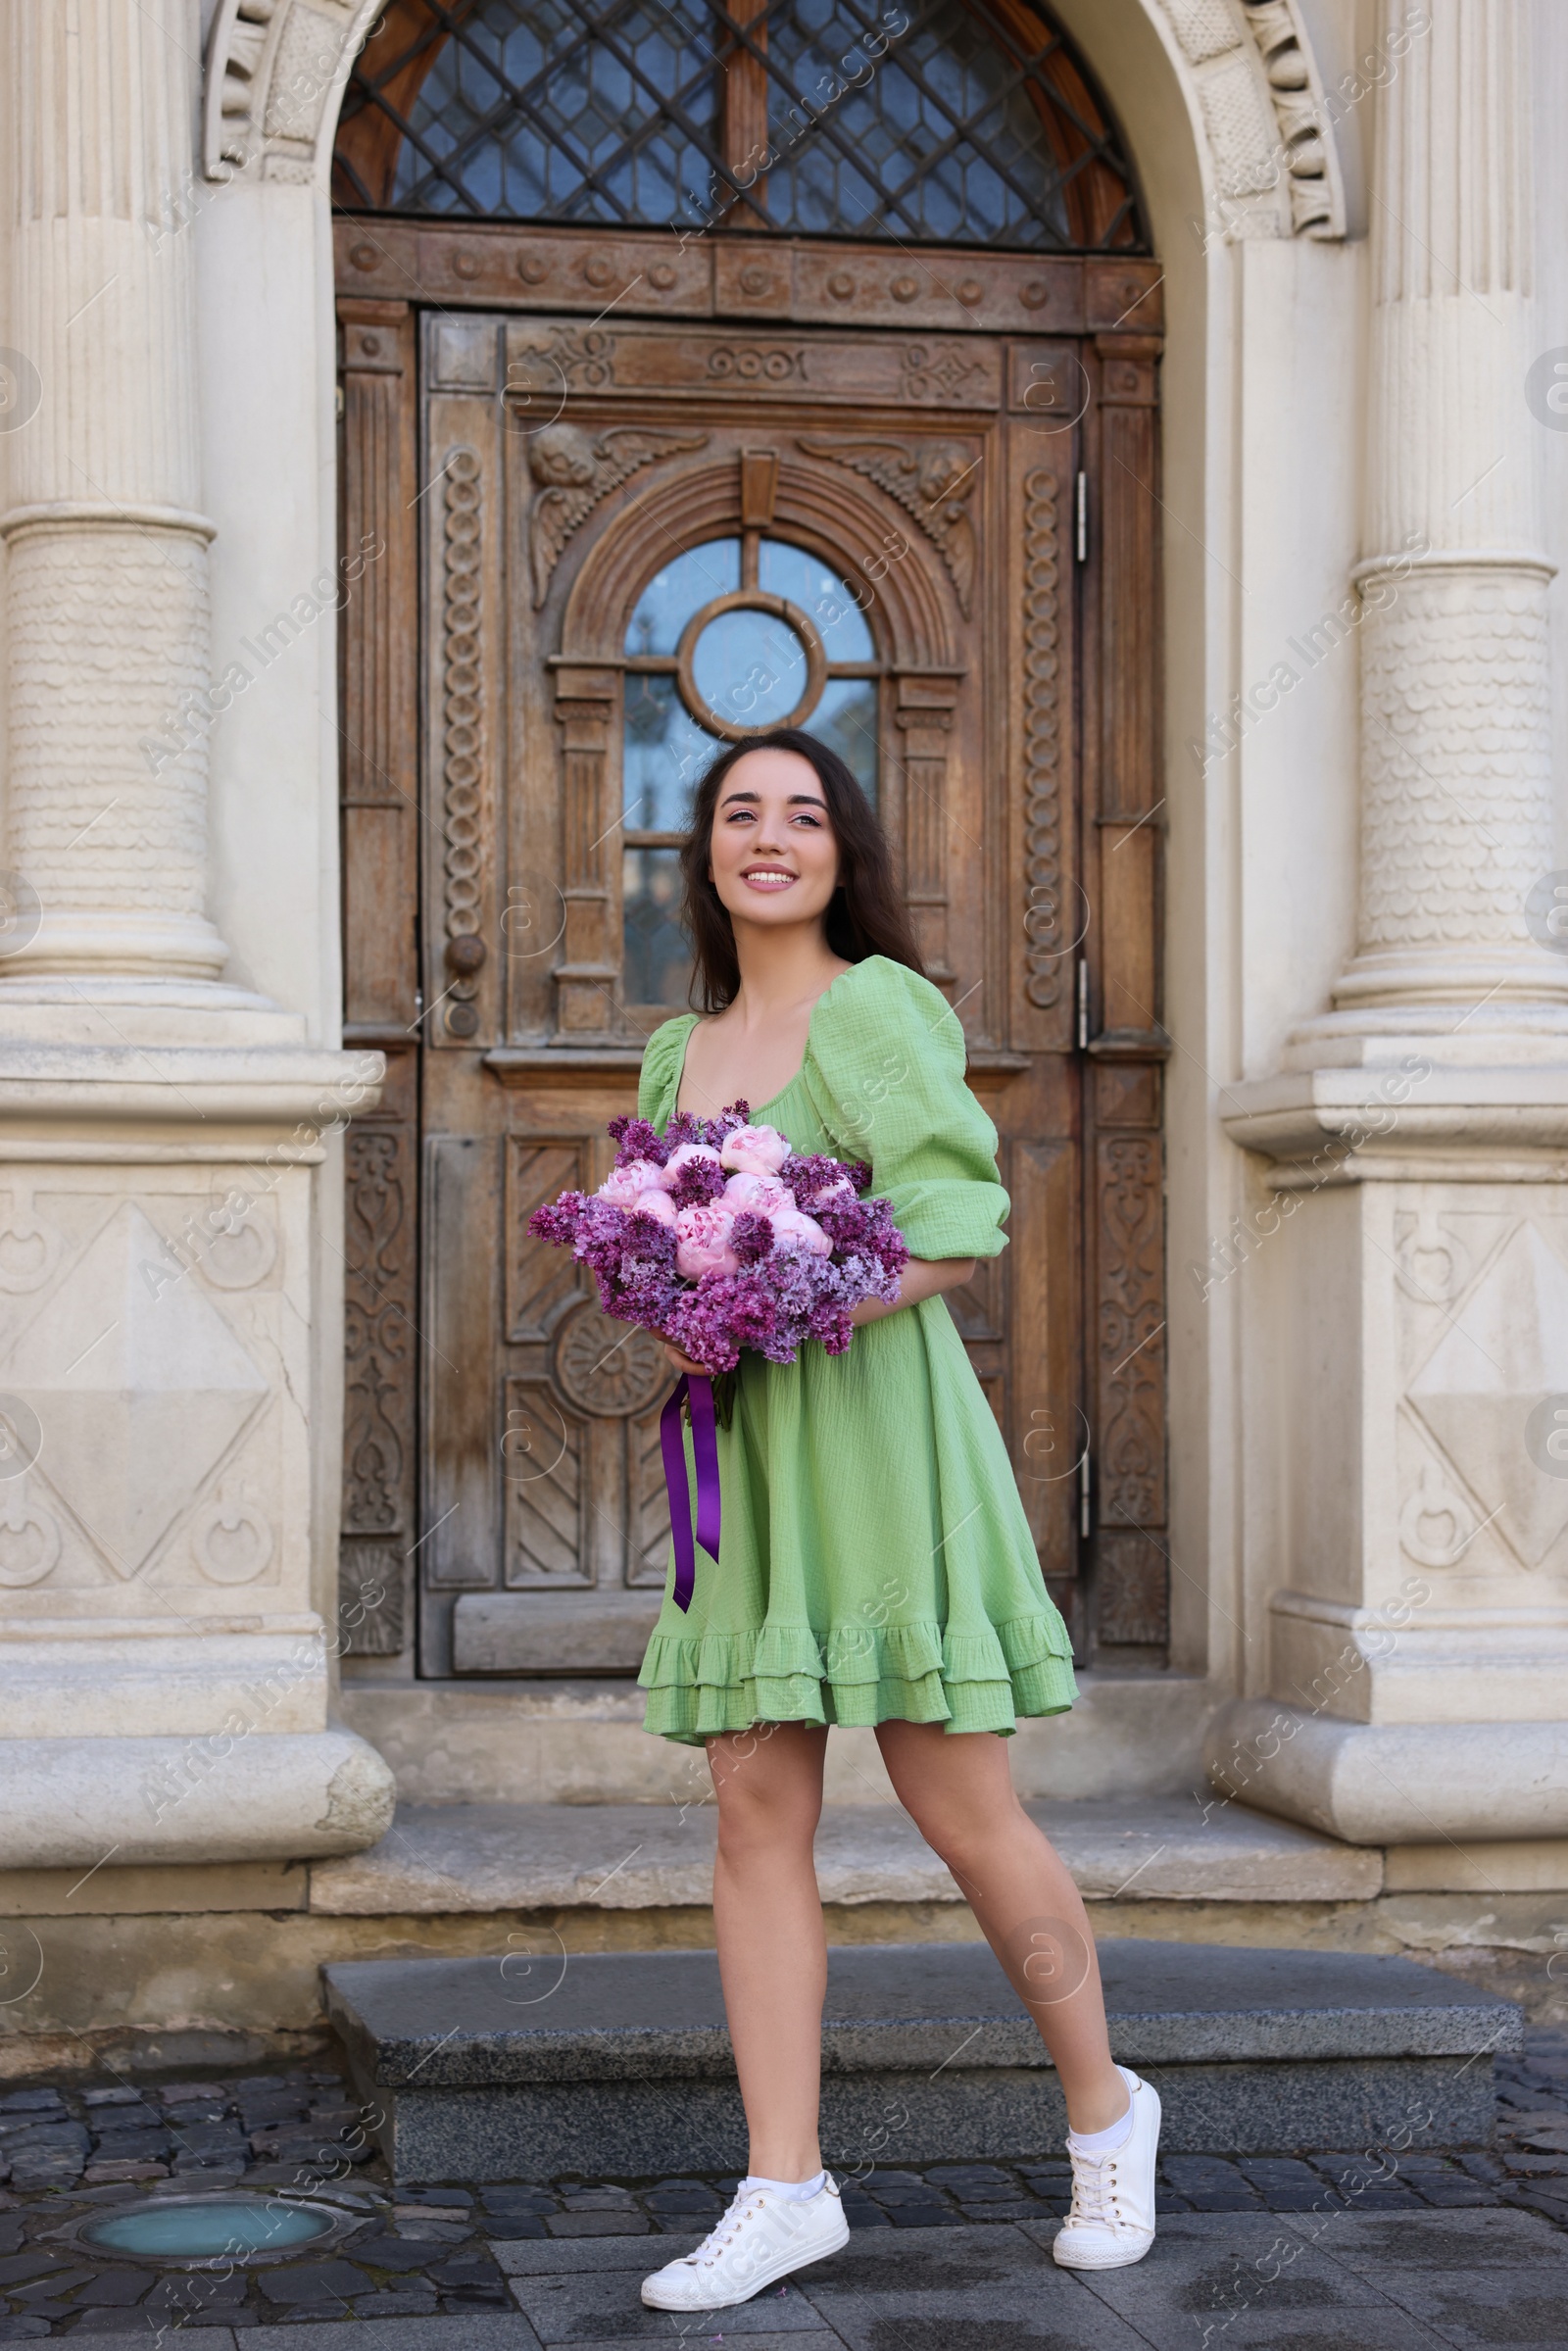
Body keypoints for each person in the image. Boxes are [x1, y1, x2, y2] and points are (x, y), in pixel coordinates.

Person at [634, 727, 1159, 2315]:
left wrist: (791, 1299)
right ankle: (784, 2184)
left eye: (802, 813)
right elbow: (670, 1250)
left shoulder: (875, 1010)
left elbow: (955, 1230)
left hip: (881, 1443)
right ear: (707, 853)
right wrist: (675, 1311)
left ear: (840, 850)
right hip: (750, 1465)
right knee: (751, 1818)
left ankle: (1106, 2114)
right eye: (740, 814)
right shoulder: (677, 1053)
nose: (769, 838)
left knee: (958, 1806)